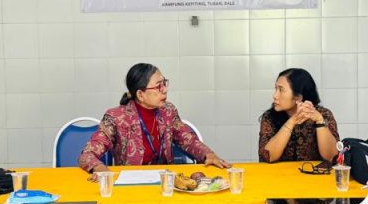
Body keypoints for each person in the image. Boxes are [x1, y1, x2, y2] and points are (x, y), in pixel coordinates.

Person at [78, 63, 229, 174]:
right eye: (158, 86)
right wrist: (100, 168)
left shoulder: (168, 111)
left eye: (164, 83)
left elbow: (187, 139)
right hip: (131, 186)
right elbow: (87, 154)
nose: (165, 90)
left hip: (166, 182)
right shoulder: (116, 117)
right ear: (140, 94)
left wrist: (208, 154)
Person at [258, 68, 339, 163]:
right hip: (279, 173)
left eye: (281, 90)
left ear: (298, 97)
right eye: (276, 88)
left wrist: (320, 121)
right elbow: (268, 157)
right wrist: (292, 121)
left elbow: (332, 157)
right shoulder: (269, 117)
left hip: (313, 172)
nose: (275, 96)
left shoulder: (324, 115)